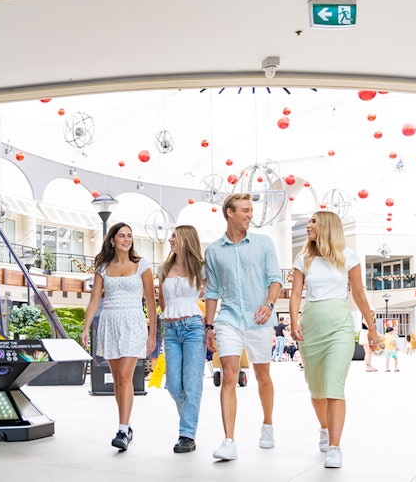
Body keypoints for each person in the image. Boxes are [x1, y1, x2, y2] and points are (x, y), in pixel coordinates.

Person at [290, 211, 379, 469]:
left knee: (334, 387)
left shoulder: (348, 257)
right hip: (311, 328)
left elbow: (359, 294)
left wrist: (371, 328)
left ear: (327, 226)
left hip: (340, 327)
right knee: (317, 391)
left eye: (313, 222)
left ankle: (335, 446)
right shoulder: (302, 258)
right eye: (309, 222)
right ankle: (325, 428)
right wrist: (294, 322)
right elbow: (296, 294)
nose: (308, 226)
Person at [203, 193, 282, 462]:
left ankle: (268, 424)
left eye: (251, 210)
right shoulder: (213, 250)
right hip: (229, 318)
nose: (250, 215)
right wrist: (210, 326)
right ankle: (228, 441)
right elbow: (212, 291)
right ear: (230, 213)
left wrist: (269, 305)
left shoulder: (263, 243)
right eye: (245, 210)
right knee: (228, 376)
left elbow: (275, 280)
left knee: (262, 375)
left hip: (260, 318)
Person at [80, 222, 157, 451]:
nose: (127, 239)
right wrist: (85, 329)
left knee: (125, 377)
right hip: (110, 322)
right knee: (118, 380)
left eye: (130, 236)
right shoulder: (102, 267)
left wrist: (153, 334)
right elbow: (95, 300)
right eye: (122, 236)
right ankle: (127, 424)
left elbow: (151, 303)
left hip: (133, 322)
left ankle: (122, 430)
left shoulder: (142, 265)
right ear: (112, 240)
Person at [158, 225, 206, 454]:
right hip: (171, 329)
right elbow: (161, 301)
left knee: (192, 382)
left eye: (174, 236)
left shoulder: (201, 268)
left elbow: (212, 295)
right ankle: (190, 419)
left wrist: (211, 326)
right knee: (173, 383)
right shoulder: (164, 268)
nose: (170, 239)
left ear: (186, 239)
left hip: (194, 328)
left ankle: (187, 434)